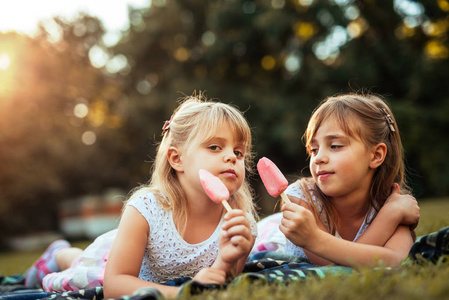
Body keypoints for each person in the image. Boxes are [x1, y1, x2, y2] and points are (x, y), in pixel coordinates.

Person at [25, 94, 258, 298]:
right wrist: (184, 294)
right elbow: (114, 286)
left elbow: (219, 287)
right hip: (115, 263)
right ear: (176, 159)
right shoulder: (146, 209)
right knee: (79, 266)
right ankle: (58, 254)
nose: (232, 157)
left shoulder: (241, 223)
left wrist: (229, 259)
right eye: (215, 147)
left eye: (238, 152)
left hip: (142, 271)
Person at [253, 93, 420, 268]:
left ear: (376, 155)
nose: (318, 158)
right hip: (271, 237)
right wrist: (389, 218)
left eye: (335, 146)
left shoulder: (394, 204)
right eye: (314, 149)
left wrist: (391, 212)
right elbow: (334, 266)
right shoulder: (301, 199)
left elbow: (398, 260)